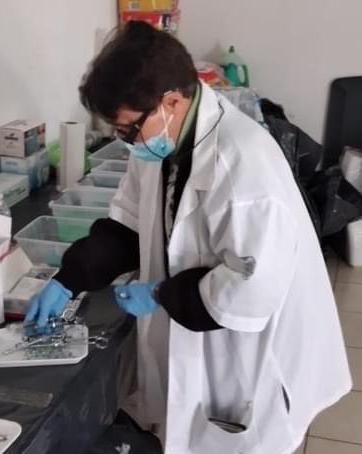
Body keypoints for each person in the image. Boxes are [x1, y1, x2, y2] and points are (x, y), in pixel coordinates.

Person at [25, 21, 351, 454]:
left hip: (255, 354)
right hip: (206, 330)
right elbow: (127, 224)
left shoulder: (242, 168)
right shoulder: (160, 138)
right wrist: (69, 278)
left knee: (236, 436)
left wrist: (161, 293)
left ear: (171, 101)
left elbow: (247, 290)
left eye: (126, 129)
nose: (125, 142)